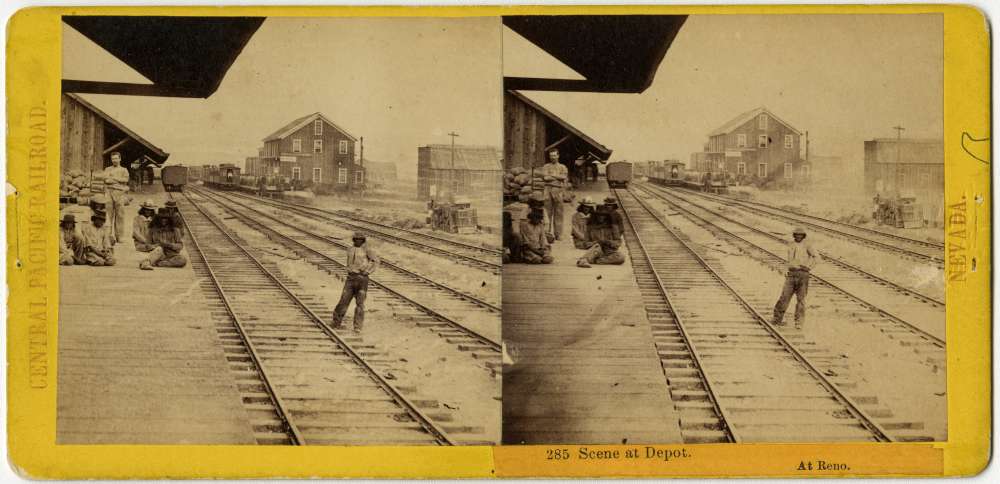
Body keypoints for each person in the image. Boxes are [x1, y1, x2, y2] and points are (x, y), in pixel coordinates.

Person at [772, 227, 821, 329]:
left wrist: (808, 267)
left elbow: (817, 257)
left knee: (801, 299)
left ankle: (799, 322)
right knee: (784, 297)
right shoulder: (791, 244)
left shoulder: (808, 245)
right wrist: (785, 270)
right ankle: (777, 319)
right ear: (794, 235)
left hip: (803, 275)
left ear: (803, 236)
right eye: (796, 235)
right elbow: (788, 259)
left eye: (801, 235)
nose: (798, 236)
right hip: (791, 274)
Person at [332, 232, 380, 333]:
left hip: (362, 279)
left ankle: (357, 326)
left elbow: (376, 261)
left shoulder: (367, 250)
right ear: (353, 240)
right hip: (350, 278)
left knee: (360, 304)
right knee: (343, 301)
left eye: (360, 239)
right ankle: (336, 322)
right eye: (356, 239)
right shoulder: (350, 249)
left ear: (363, 240)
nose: (358, 241)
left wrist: (368, 271)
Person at [539, 148, 569, 240]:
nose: (553, 157)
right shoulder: (545, 166)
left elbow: (564, 176)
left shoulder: (562, 167)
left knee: (559, 213)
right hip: (547, 190)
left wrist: (551, 176)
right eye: (551, 155)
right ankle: (547, 233)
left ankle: (558, 234)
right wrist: (557, 177)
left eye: (554, 155)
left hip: (558, 190)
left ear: (558, 156)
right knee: (547, 212)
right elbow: (545, 178)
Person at [102, 151, 131, 244]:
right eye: (113, 158)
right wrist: (118, 181)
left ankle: (120, 236)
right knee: (108, 214)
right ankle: (108, 235)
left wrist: (113, 179)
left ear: (120, 159)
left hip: (120, 193)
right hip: (109, 192)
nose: (114, 160)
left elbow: (125, 180)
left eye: (116, 158)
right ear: (111, 160)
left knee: (120, 215)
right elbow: (106, 180)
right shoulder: (107, 169)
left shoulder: (124, 170)